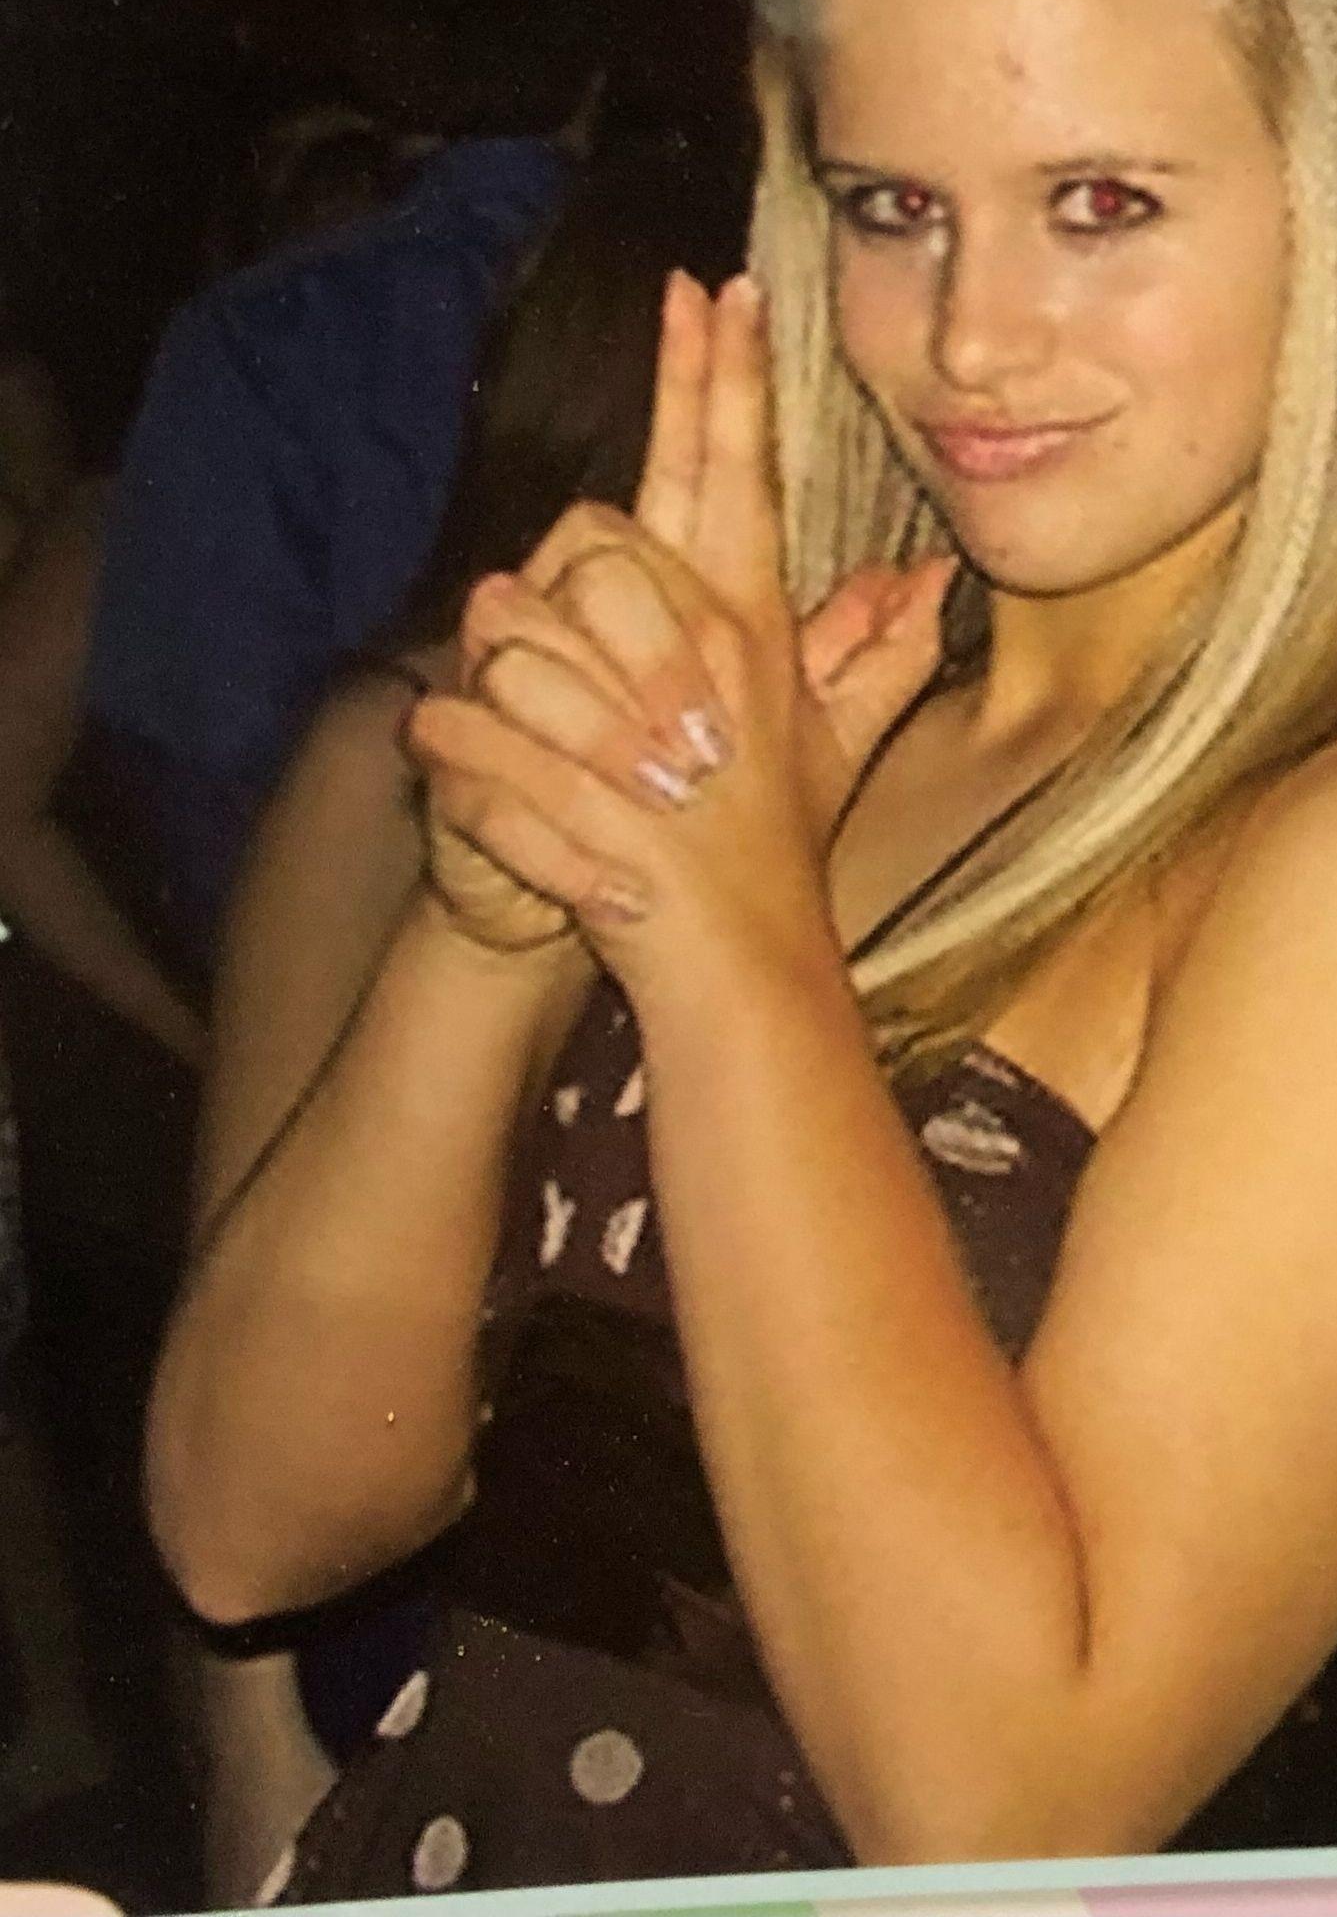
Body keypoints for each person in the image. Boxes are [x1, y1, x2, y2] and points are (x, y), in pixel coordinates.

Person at [146, 0, 1337, 1892]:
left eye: (1100, 201)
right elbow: (249, 1523)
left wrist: (727, 944)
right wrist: (498, 921)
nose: (968, 333)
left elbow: (1008, 1797)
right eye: (892, 204)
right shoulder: (822, 705)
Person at [185, 134, 749, 1905]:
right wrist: (253, 1778)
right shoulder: (396, 746)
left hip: (641, 1658)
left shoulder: (787, 744)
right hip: (394, 1612)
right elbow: (240, 1278)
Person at [78, 0, 590, 984]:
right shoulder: (683, 303)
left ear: (378, 65)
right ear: (590, 82)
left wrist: (275, 986)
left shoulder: (253, 330)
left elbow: (189, 740)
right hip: (593, 949)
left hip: (330, 946)